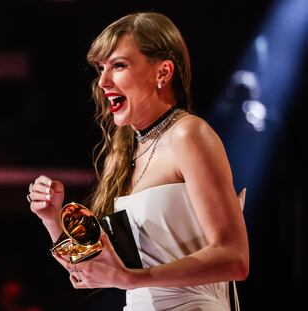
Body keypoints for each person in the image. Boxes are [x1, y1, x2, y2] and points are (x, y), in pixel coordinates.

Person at [27, 12, 249, 311]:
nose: (103, 81)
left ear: (163, 72)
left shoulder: (188, 134)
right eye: (101, 68)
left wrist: (132, 278)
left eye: (119, 65)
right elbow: (91, 274)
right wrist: (52, 218)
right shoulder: (125, 155)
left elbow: (234, 259)